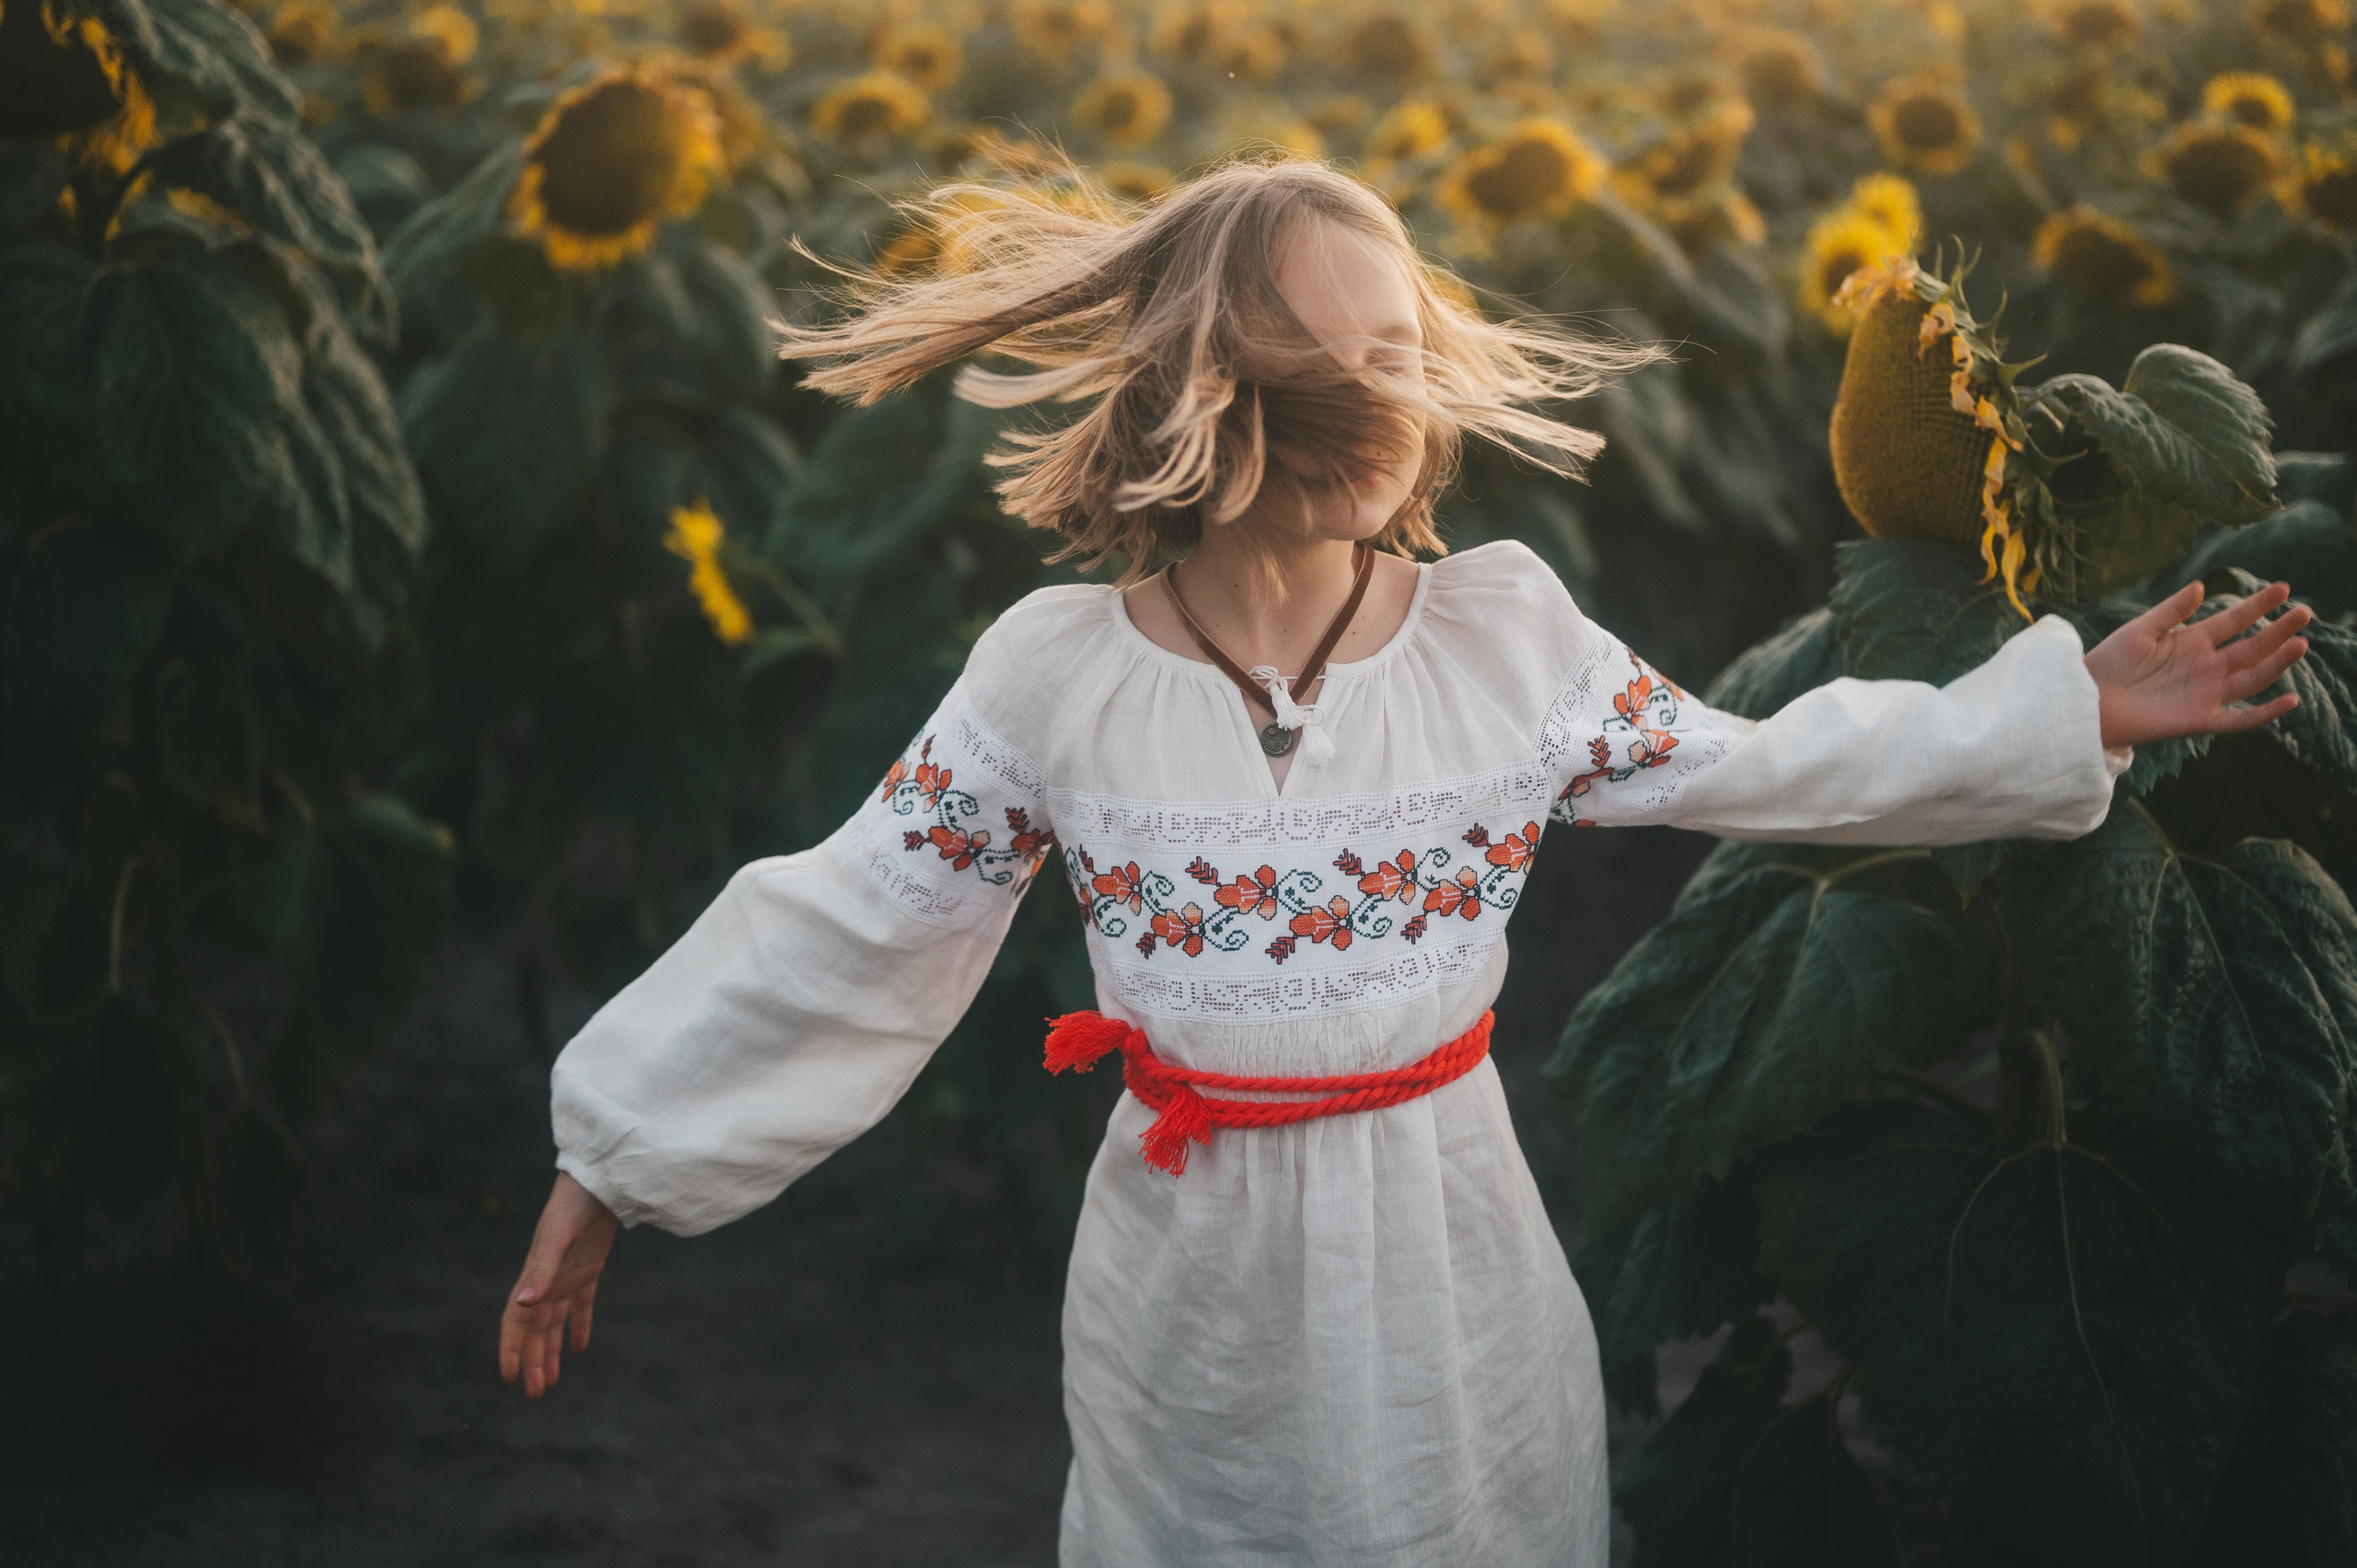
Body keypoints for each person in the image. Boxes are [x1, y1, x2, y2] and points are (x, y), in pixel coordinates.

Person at [496, 154, 2312, 1566]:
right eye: (1317, 357)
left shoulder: (1496, 642)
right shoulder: (1053, 678)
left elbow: (1763, 764)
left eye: (1393, 352)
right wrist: (615, 1159)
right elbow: (855, 916)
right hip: (1187, 1273)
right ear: (1199, 388)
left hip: (1447, 1251)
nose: (1372, 394)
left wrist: (2061, 711)